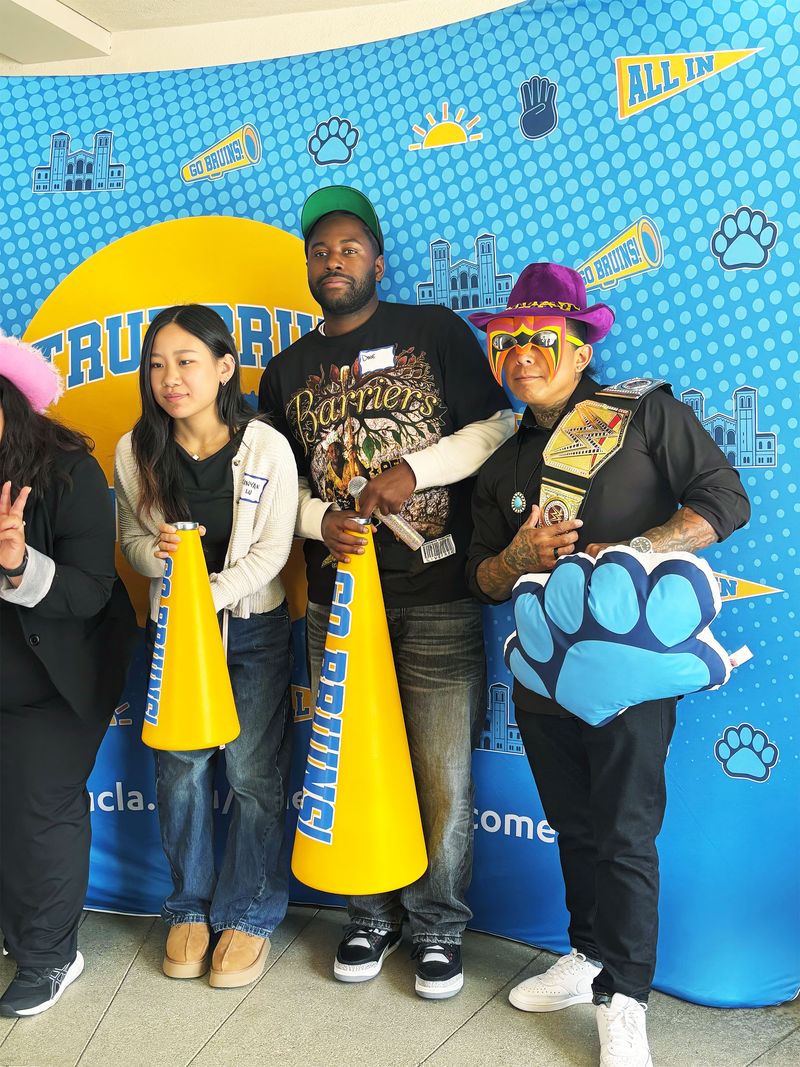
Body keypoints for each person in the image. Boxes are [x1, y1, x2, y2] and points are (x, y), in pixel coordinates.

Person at [466, 263, 750, 1066]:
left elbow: (725, 500)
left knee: (624, 833)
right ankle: (587, 951)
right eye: (507, 338)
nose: (522, 351)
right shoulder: (501, 460)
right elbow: (481, 579)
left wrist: (637, 550)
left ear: (582, 348)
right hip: (543, 672)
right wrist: (518, 556)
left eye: (541, 336)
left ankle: (625, 998)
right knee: (575, 823)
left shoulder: (646, 414)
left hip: (631, 669)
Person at [259, 185, 515, 1000]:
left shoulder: (432, 330)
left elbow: (498, 426)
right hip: (338, 605)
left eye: (348, 247)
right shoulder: (285, 372)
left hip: (438, 593)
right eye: (319, 251)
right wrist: (318, 520)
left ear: (377, 260)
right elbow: (276, 489)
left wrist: (414, 470)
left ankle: (437, 925)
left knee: (443, 775)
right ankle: (368, 913)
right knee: (353, 764)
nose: (332, 260)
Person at [114, 304, 298, 988]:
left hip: (251, 627)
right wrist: (163, 559)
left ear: (224, 368)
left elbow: (273, 552)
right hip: (174, 635)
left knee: (252, 773)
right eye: (157, 365)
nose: (170, 378)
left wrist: (203, 594)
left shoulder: (266, 446)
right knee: (181, 770)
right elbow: (132, 541)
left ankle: (249, 912)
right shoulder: (135, 449)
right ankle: (188, 907)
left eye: (186, 361)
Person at [0, 336, 135, 1018]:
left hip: (58, 674)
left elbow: (89, 591)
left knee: (37, 805)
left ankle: (50, 954)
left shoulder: (67, 471)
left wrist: (18, 565)